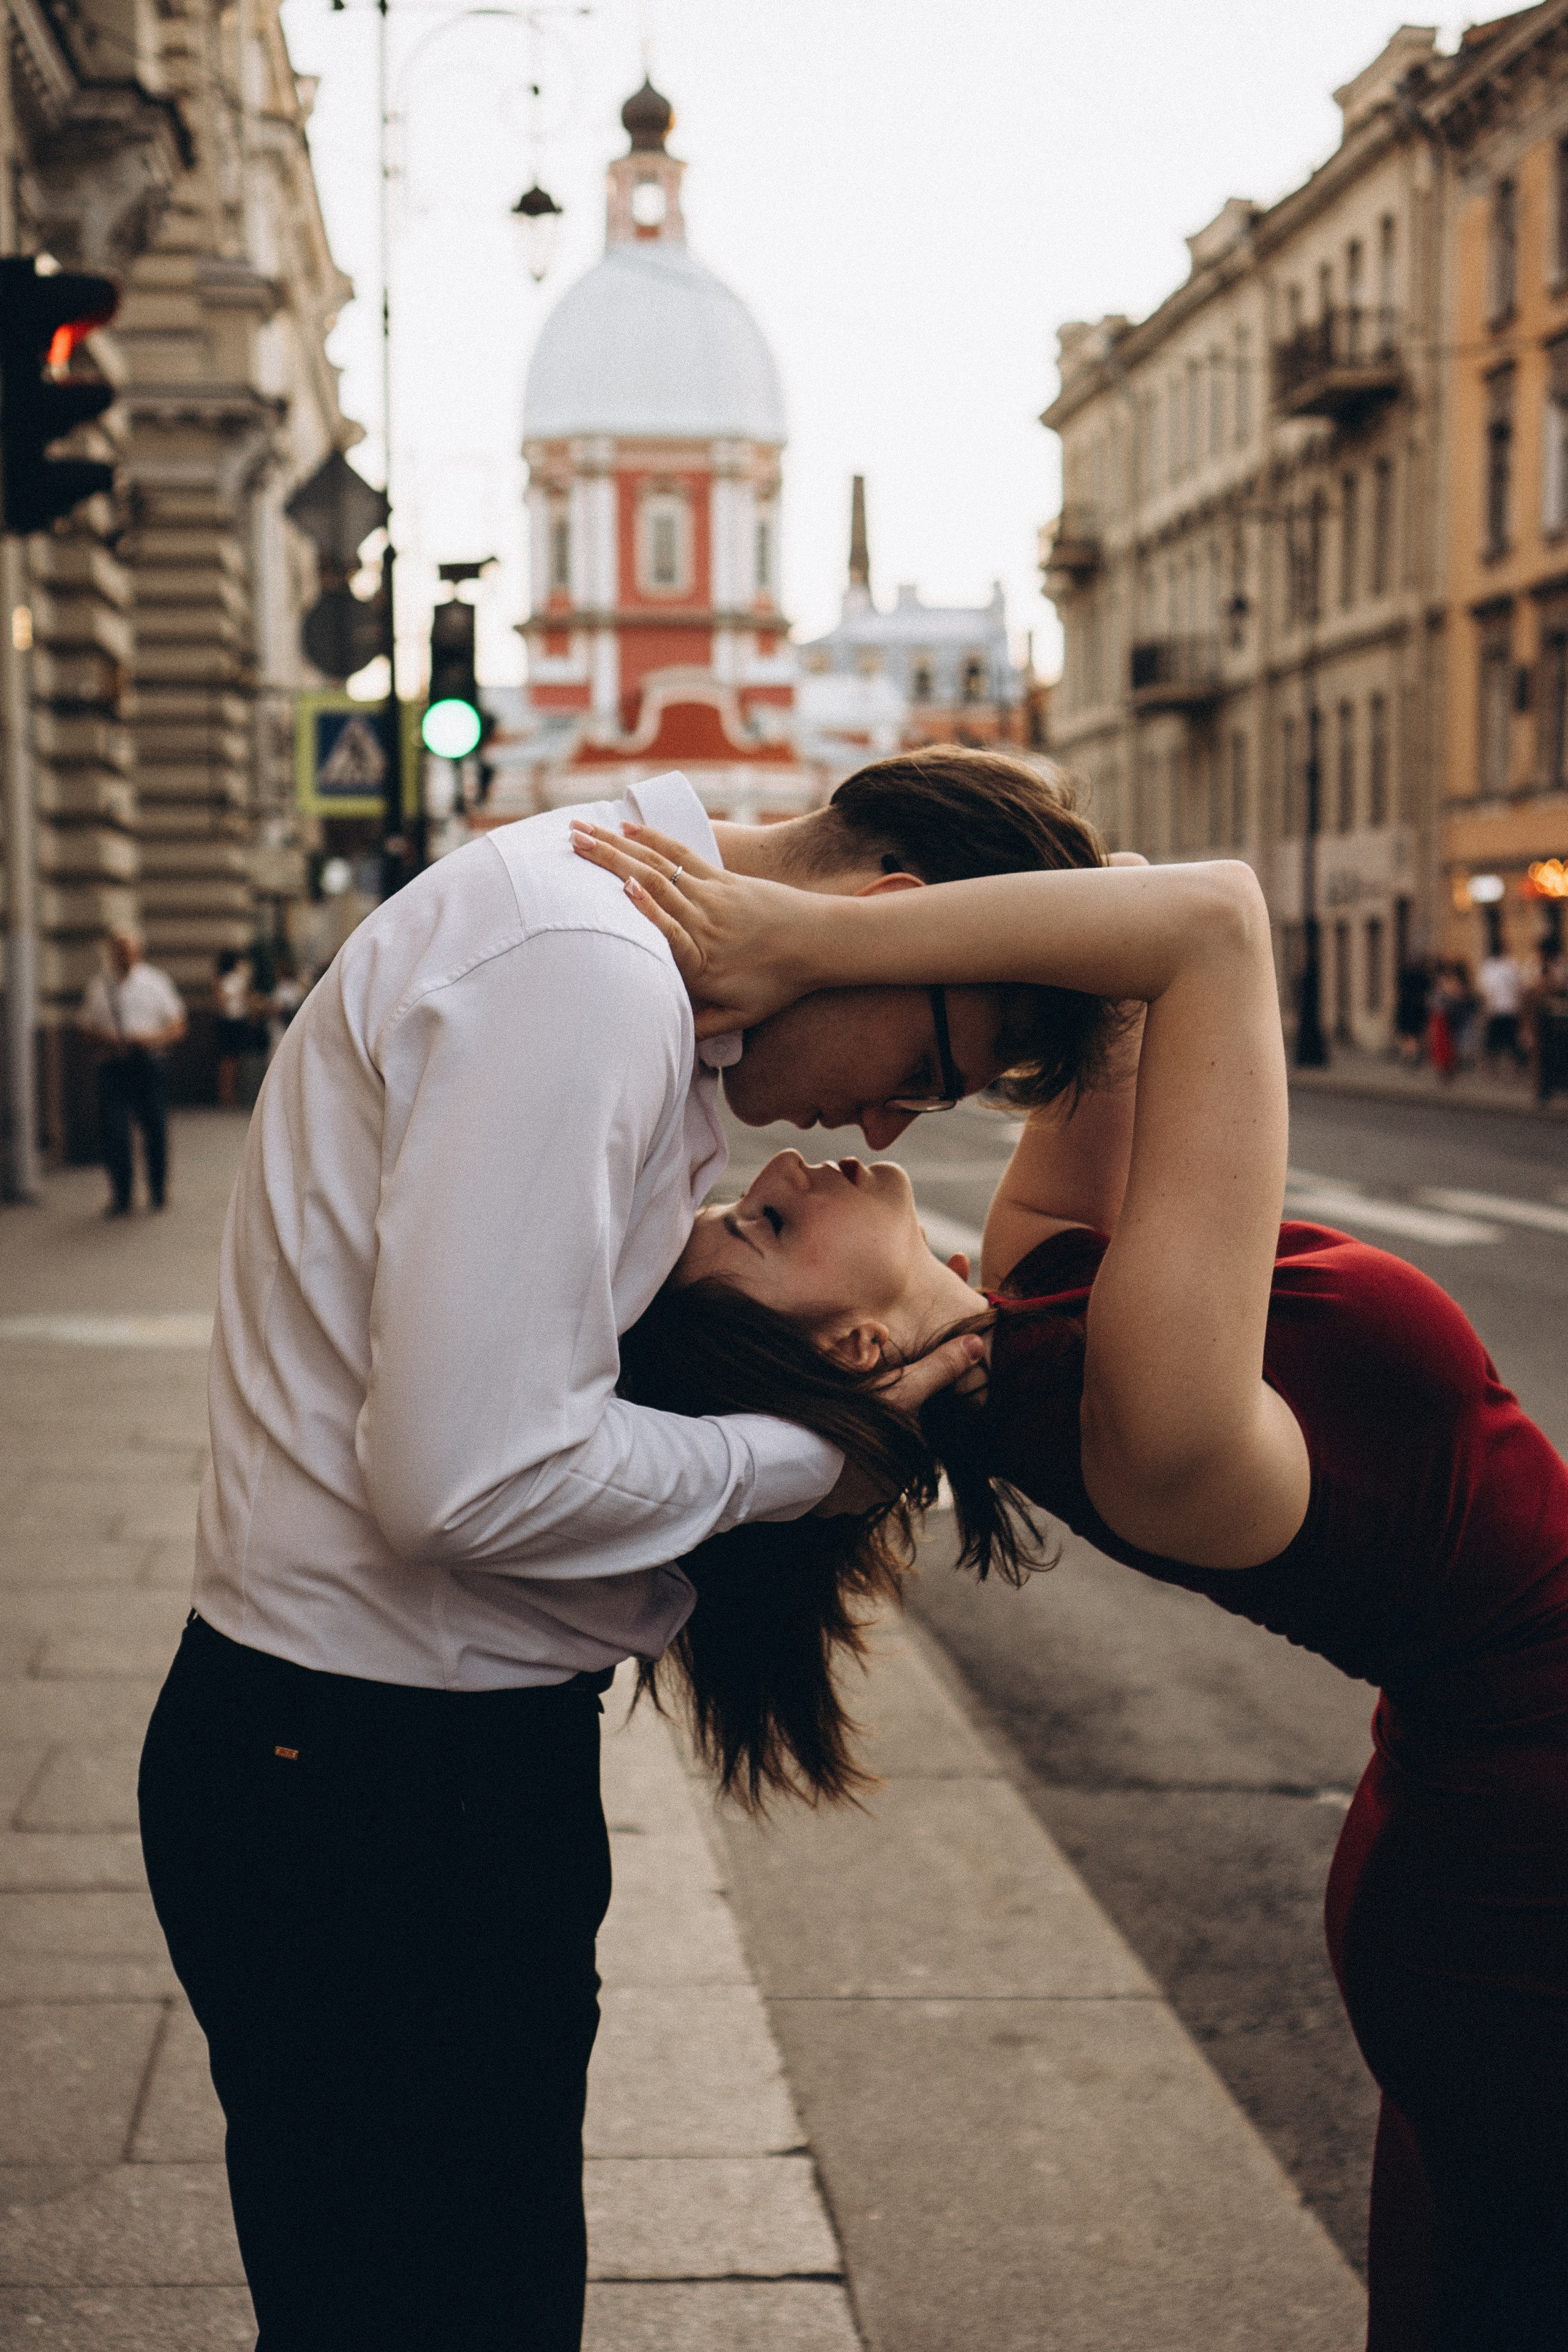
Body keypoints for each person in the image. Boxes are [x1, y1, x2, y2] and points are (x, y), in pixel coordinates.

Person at [138, 749, 1120, 2352]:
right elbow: (468, 1479)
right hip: (382, 1791)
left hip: (376, 1766)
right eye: (931, 1071)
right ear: (884, 921)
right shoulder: (588, 975)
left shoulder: (613, 960)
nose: (883, 1122)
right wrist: (817, 1459)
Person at [578, 816, 1568, 2348]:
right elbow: (1212, 925)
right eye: (764, 1226)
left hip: (1475, 1830)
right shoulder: (1138, 1426)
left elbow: (1112, 921)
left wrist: (829, 930)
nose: (778, 1164)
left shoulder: (1042, 1275)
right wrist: (801, 940)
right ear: (846, 1352)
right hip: (1522, 1877)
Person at [78, 929, 187, 1216]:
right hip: (114, 1064)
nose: (124, 955)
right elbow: (86, 1027)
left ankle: (157, 1189)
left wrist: (148, 1039)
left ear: (138, 951)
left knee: (155, 1128)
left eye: (129, 949)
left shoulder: (155, 982)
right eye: (119, 949)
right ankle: (122, 1194)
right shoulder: (99, 986)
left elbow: (177, 1026)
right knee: (114, 1130)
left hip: (149, 1063)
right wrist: (106, 1037)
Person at [213, 948, 256, 1107]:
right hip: (229, 1021)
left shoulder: (237, 978)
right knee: (228, 1059)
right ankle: (226, 1094)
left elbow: (246, 997)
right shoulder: (227, 979)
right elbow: (221, 1000)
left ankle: (230, 1093)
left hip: (236, 1020)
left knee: (233, 1059)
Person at [1477, 943, 1526, 1072]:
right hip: (1509, 1008)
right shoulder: (1512, 965)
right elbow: (1520, 987)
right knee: (1508, 1039)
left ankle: (1492, 1066)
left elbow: (1484, 990)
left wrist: (1486, 1008)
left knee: (1495, 1040)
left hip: (1498, 1008)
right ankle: (1509, 1066)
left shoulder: (1489, 966)